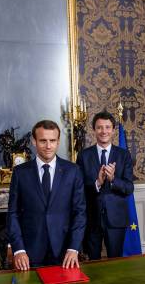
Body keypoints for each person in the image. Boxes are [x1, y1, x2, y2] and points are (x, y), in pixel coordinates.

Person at [7, 120, 86, 270]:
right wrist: (18, 249)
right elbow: (13, 214)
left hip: (64, 252)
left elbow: (80, 213)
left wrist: (73, 248)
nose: (48, 146)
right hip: (30, 253)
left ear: (58, 141)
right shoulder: (20, 173)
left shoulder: (73, 171)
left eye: (52, 141)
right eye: (43, 141)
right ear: (34, 141)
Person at [76, 111, 134, 260]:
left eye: (107, 127)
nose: (104, 131)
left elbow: (129, 188)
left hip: (116, 220)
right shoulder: (84, 155)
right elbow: (79, 189)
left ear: (113, 130)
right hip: (91, 219)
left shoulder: (124, 155)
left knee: (115, 263)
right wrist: (97, 183)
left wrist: (113, 179)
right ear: (94, 130)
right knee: (93, 264)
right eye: (100, 127)